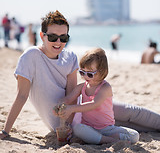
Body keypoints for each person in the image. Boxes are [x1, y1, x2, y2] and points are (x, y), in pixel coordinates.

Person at [0, 10, 160, 140]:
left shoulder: (70, 57)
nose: (58, 42)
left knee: (132, 112)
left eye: (63, 38)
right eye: (53, 37)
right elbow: (21, 95)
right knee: (129, 126)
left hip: (84, 106)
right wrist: (6, 131)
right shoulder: (31, 56)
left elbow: (73, 94)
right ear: (42, 36)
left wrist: (72, 117)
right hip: (69, 122)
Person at [54, 48, 139, 144]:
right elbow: (68, 98)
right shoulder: (82, 87)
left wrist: (72, 108)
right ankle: (107, 140)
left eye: (90, 74)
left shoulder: (105, 88)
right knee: (78, 128)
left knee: (135, 135)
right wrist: (59, 105)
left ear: (102, 72)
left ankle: (103, 138)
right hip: (88, 127)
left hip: (107, 128)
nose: (85, 76)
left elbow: (94, 104)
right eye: (82, 72)